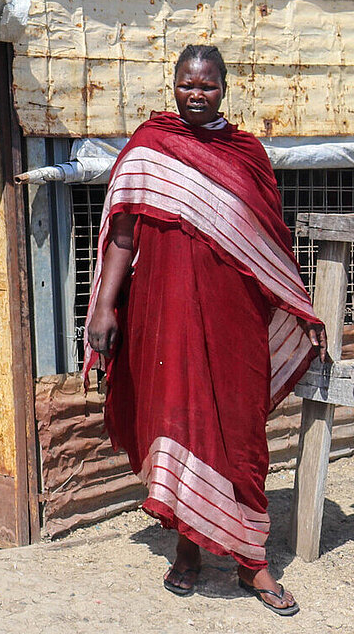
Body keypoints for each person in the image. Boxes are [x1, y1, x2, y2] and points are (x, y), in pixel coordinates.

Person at [84, 44, 327, 617]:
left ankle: (252, 563)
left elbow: (269, 243)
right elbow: (122, 236)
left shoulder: (247, 155)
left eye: (208, 86)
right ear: (173, 85)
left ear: (224, 89)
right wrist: (104, 307)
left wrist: (299, 306)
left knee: (241, 436)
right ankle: (188, 550)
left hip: (233, 319)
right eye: (187, 84)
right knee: (181, 420)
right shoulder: (149, 147)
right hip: (165, 315)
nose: (196, 94)